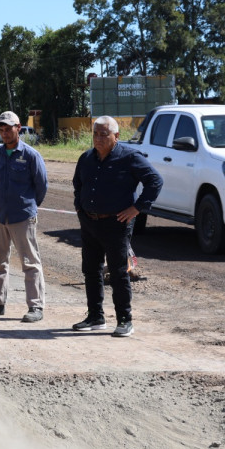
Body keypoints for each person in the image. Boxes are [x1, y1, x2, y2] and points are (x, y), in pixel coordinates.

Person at [72, 116, 163, 337]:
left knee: (118, 272)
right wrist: (80, 209)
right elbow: (78, 185)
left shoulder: (130, 157)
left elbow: (155, 181)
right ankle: (95, 316)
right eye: (95, 133)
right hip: (89, 223)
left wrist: (137, 208)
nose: (99, 138)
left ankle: (124, 319)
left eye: (104, 134)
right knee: (91, 270)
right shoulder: (86, 158)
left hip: (117, 224)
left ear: (116, 136)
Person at [0, 111, 48, 323]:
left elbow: (41, 186)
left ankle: (36, 306)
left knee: (30, 263)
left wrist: (29, 207)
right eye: (1, 129)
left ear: (19, 128)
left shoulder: (31, 155)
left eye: (9, 129)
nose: (5, 133)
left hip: (22, 217)